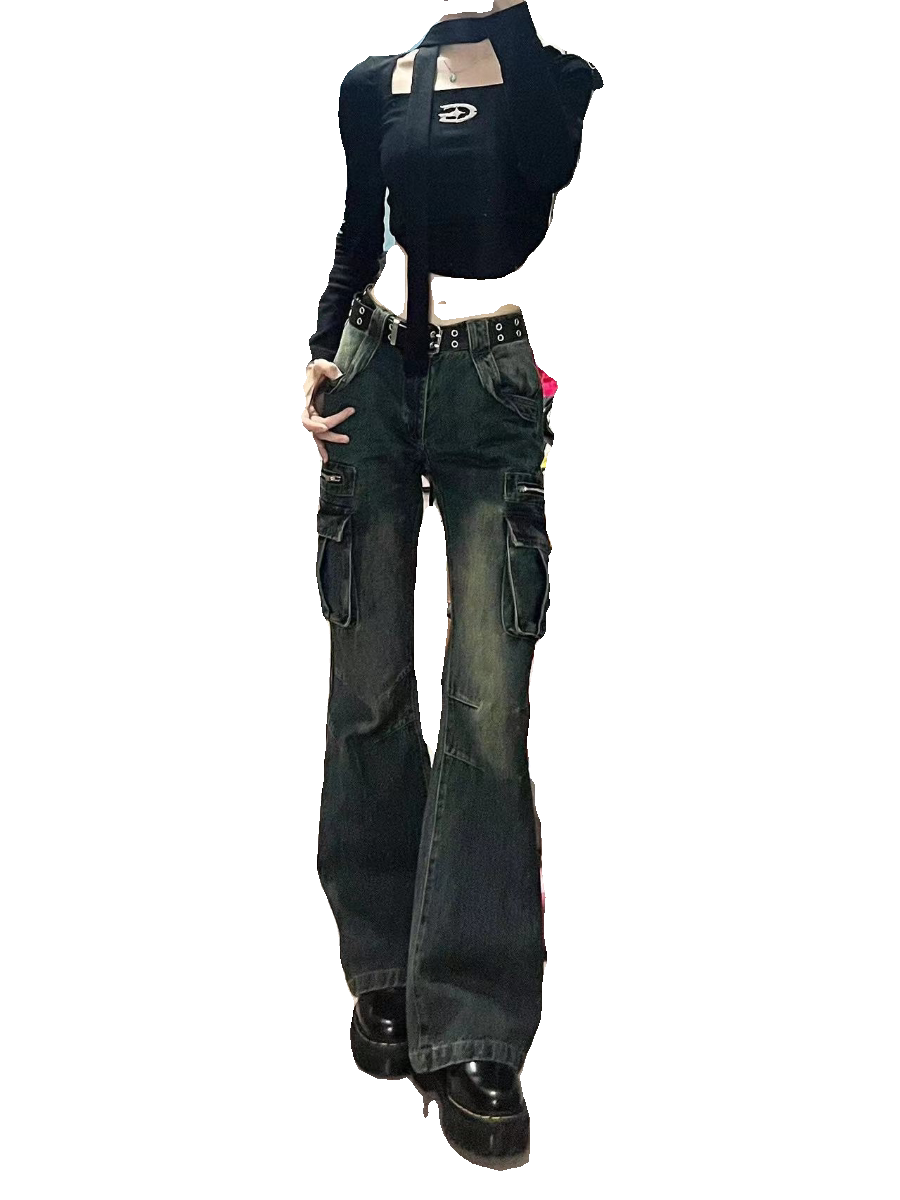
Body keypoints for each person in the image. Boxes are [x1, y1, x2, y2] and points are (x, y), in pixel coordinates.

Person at [302, 0, 602, 1165]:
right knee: (367, 680)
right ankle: (383, 964)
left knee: (487, 704)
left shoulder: (552, 81)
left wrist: (508, 22)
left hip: (492, 386)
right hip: (375, 373)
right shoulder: (371, 81)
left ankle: (474, 1018)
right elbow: (356, 232)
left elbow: (529, 192)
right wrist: (319, 351)